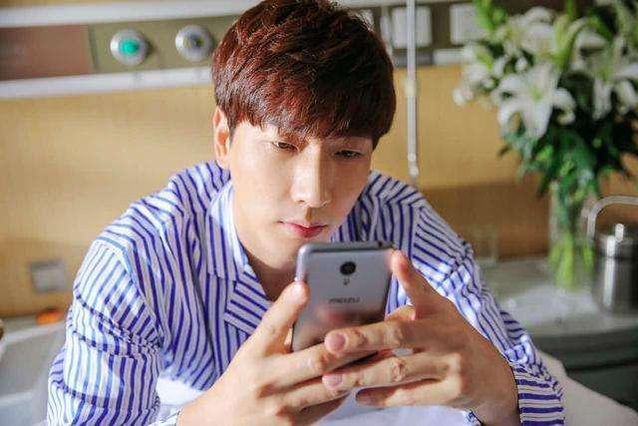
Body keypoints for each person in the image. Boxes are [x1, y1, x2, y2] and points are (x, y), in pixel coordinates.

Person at [47, 1, 564, 425]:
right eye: (283, 145)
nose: (315, 193)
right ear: (224, 139)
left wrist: (498, 392)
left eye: (347, 152)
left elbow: (530, 387)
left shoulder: (401, 224)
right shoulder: (135, 261)